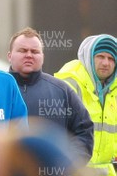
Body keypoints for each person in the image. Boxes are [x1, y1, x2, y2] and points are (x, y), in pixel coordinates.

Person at [7, 27, 93, 164]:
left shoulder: (62, 91)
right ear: (10, 56)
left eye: (34, 51)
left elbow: (84, 130)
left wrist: (67, 165)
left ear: (42, 57)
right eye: (22, 50)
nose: (29, 55)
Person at [55, 34, 117, 176]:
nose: (105, 63)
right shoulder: (69, 83)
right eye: (100, 56)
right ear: (89, 57)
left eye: (111, 59)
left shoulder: (114, 89)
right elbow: (56, 131)